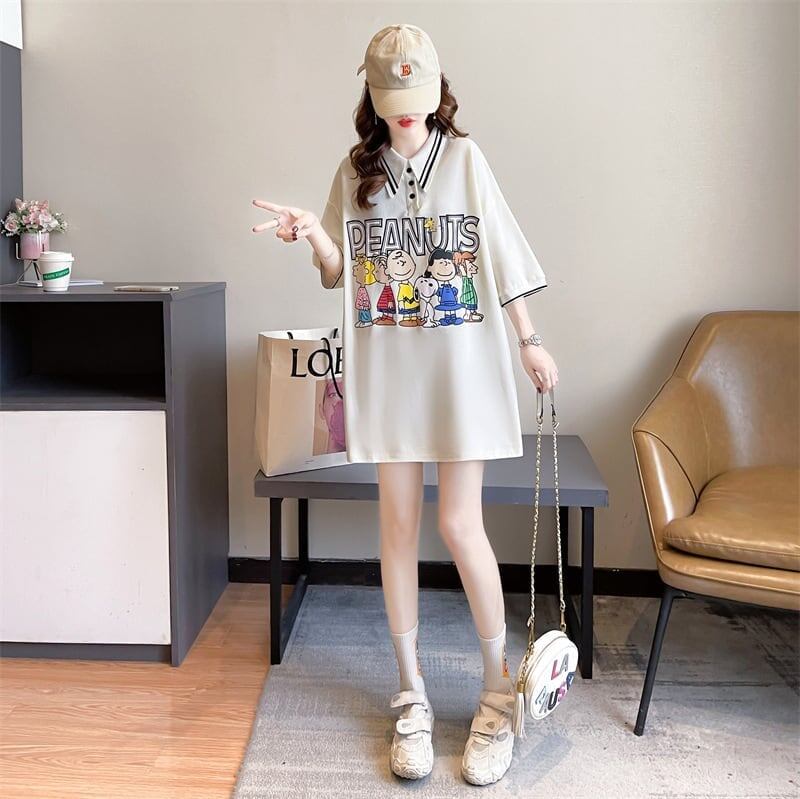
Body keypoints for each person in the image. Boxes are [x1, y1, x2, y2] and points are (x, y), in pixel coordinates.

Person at [252, 23, 558, 787]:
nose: (406, 111)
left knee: (458, 523)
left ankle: (498, 692)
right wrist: (312, 234)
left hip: (460, 368)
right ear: (374, 95)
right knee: (395, 526)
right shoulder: (356, 169)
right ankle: (412, 693)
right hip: (389, 368)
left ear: (437, 91)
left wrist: (529, 339)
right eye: (393, 97)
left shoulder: (465, 158)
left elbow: (499, 247)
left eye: (417, 96)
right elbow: (339, 268)